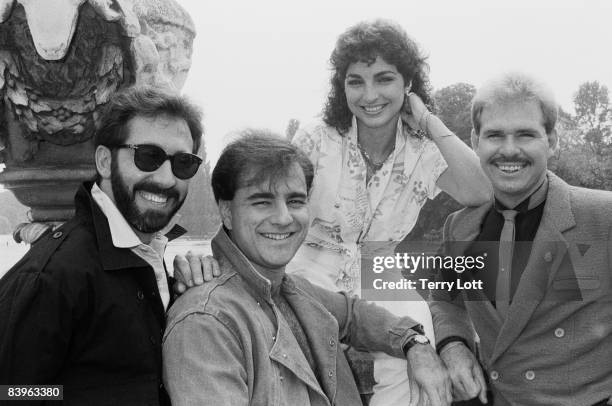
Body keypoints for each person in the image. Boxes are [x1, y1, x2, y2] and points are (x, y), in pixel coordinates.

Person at [163, 132, 453, 406]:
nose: (283, 217)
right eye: (262, 202)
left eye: (295, 201)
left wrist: (415, 342)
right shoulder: (206, 321)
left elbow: (353, 314)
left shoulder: (292, 290)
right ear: (226, 211)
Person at [288, 19, 491, 405]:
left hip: (377, 269)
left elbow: (481, 191)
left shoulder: (422, 149)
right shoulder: (318, 137)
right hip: (308, 265)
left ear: (407, 84)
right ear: (342, 87)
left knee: (418, 331)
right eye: (355, 81)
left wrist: (429, 121)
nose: (369, 95)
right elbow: (275, 200)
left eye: (384, 79)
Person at [0, 85, 204, 405]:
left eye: (184, 163)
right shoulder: (52, 278)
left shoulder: (149, 258)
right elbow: (12, 393)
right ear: (105, 161)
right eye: (148, 156)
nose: (167, 179)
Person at [429, 72, 612, 405]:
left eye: (525, 134)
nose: (509, 150)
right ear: (474, 142)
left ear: (552, 140)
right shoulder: (459, 226)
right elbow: (445, 299)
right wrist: (453, 345)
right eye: (495, 135)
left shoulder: (603, 217)